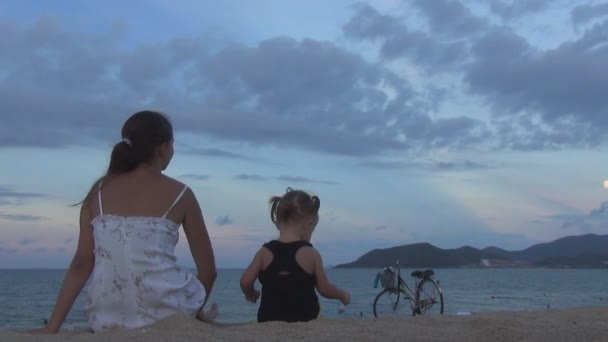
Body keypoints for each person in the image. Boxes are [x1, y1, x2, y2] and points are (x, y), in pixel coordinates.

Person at [32, 111, 217, 333]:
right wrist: (192, 313)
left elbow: (82, 264)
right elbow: (208, 271)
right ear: (163, 147)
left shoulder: (98, 192)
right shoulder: (181, 193)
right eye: (173, 144)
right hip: (167, 314)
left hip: (104, 317)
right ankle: (195, 315)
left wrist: (52, 328)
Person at [239, 188, 350, 323]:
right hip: (305, 320)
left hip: (268, 321)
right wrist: (343, 295)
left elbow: (245, 281)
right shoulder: (311, 254)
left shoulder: (264, 253)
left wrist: (251, 293)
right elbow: (324, 289)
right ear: (308, 224)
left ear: (278, 222)